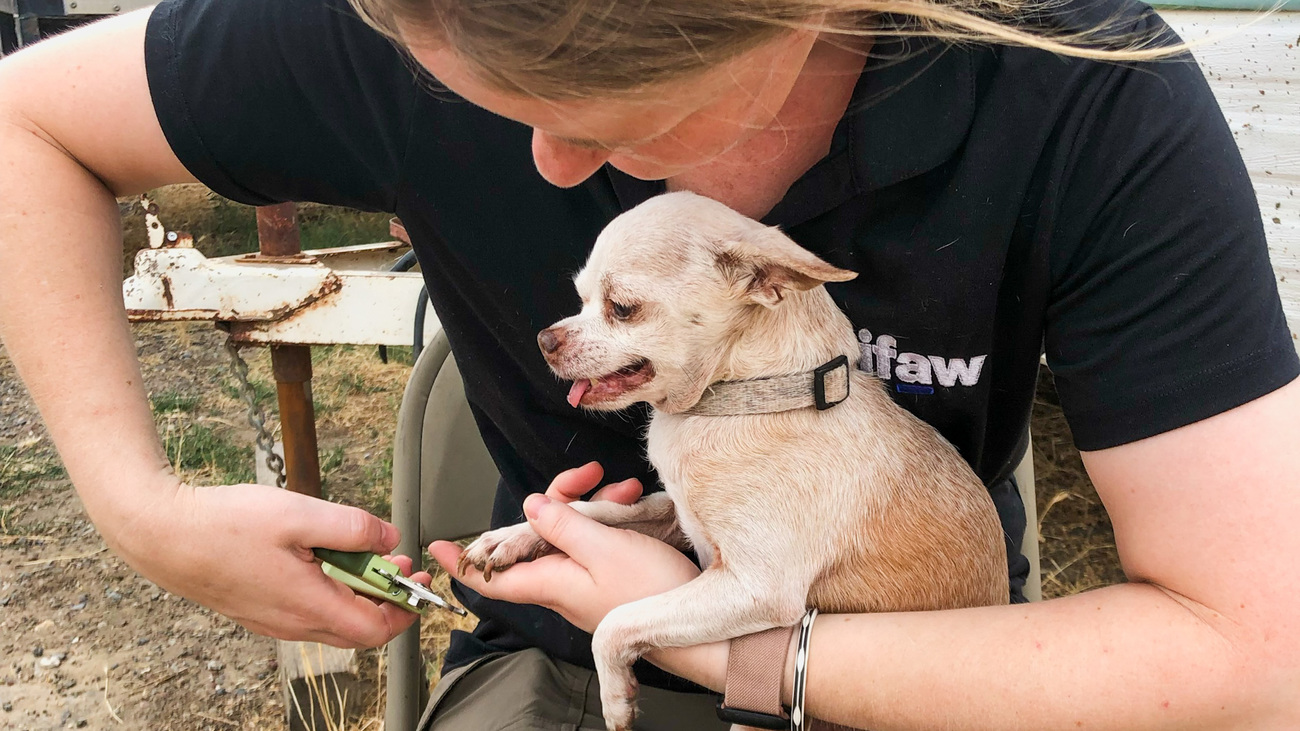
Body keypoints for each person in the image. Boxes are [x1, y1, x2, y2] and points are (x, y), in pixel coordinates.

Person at [0, 0, 1296, 727]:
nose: (554, 171)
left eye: (621, 126)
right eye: (496, 107)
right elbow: (25, 118)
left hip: (935, 642)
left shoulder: (1076, 86)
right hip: (563, 655)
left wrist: (724, 653)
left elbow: (1256, 652)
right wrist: (138, 504)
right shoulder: (387, 29)